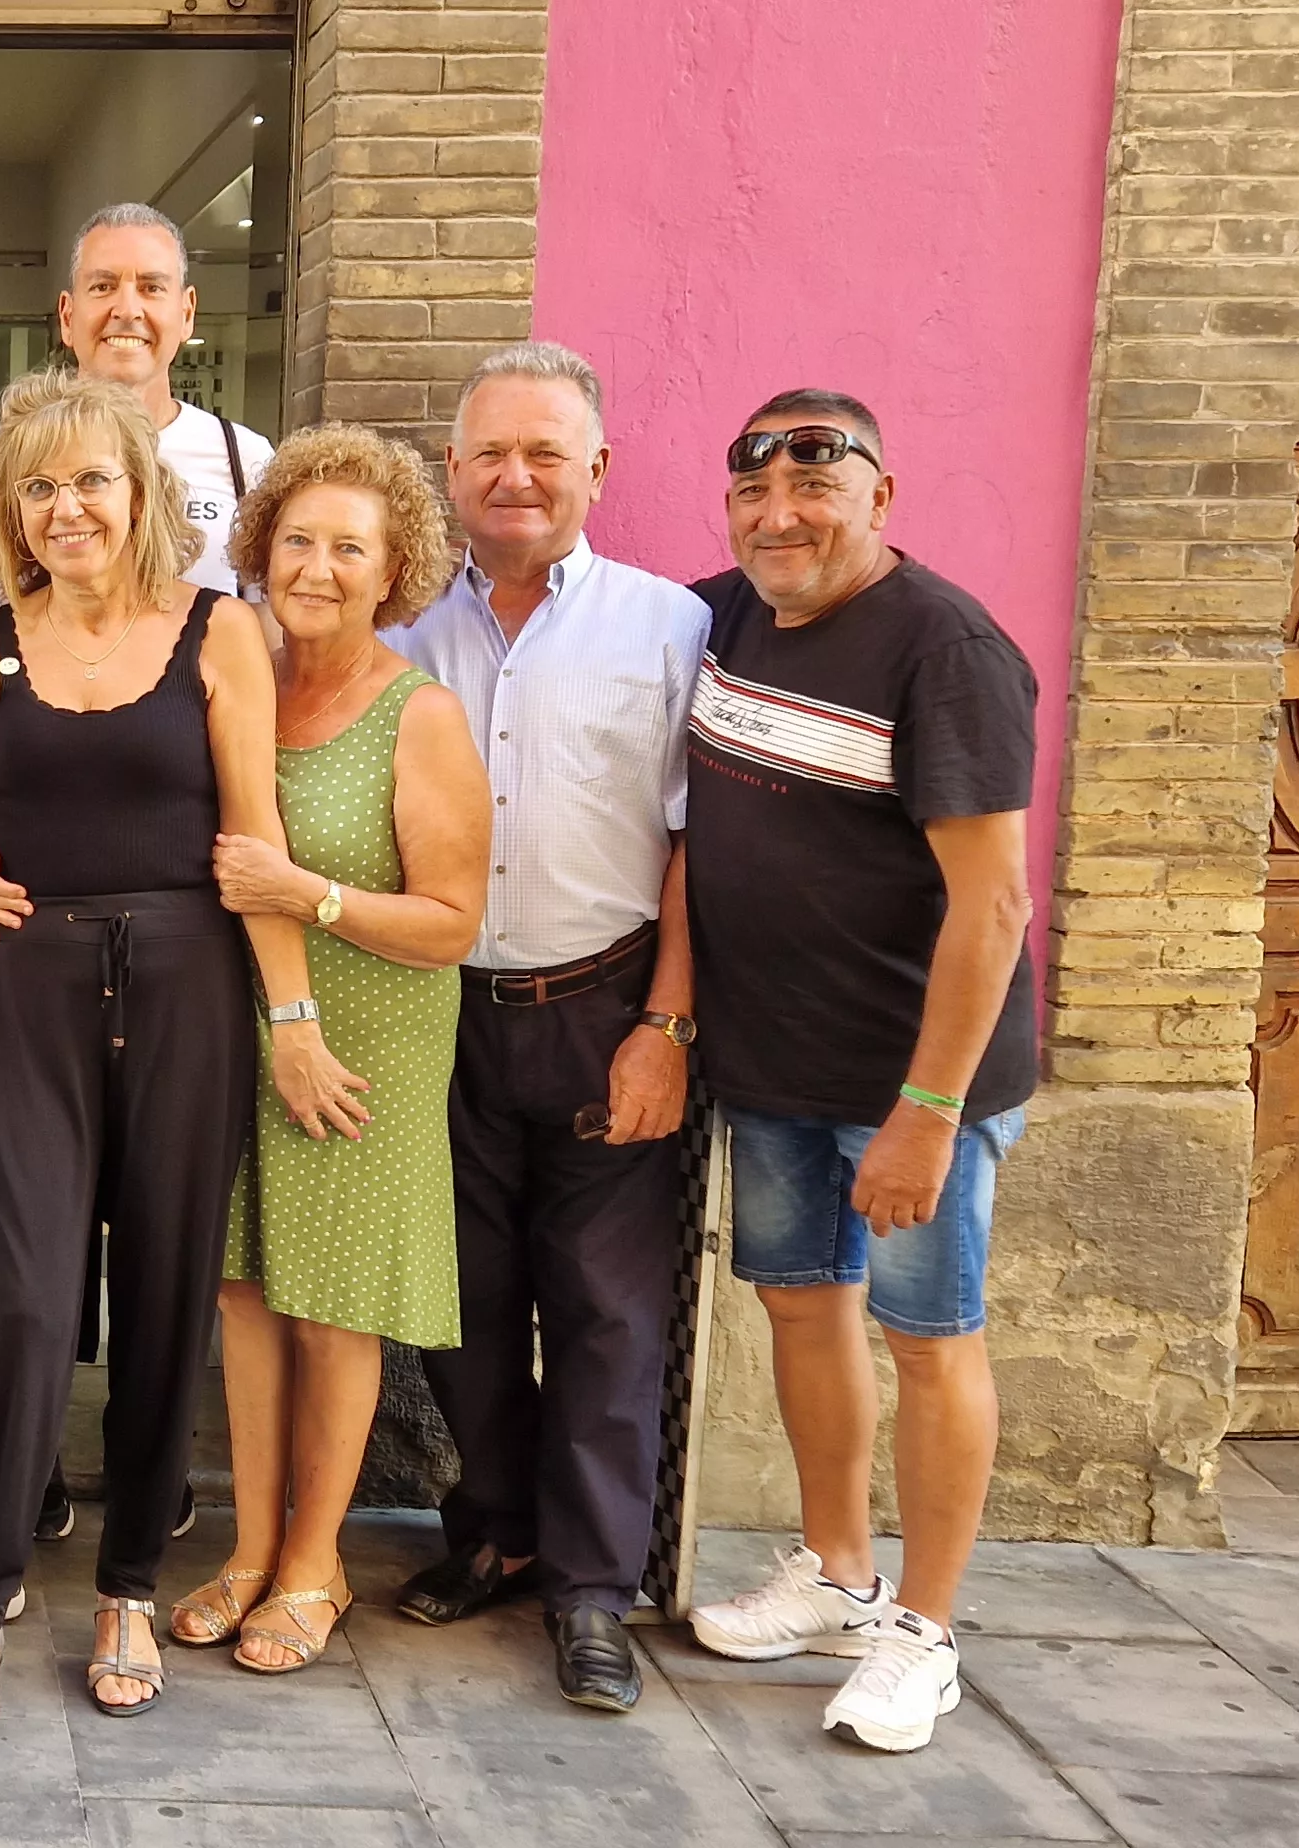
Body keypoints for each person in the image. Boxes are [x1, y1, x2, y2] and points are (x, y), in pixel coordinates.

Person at [0, 371, 329, 1754]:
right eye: (39, 486)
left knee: (168, 1294)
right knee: (20, 1292)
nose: (66, 506)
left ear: (142, 497)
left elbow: (252, 843)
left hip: (191, 981)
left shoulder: (220, 632)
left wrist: (293, 1020)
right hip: (31, 988)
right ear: (14, 511)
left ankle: (130, 1582)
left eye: (90, 481)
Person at [680, 389, 1038, 1755]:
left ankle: (925, 1635)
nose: (782, 518)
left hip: (912, 1087)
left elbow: (992, 906)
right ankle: (837, 1574)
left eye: (817, 490)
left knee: (930, 1342)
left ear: (881, 496)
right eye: (756, 494)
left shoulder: (946, 652)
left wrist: (928, 1114)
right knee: (803, 1310)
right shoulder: (724, 619)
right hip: (775, 1064)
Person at [386, 342, 709, 1714]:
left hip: (604, 1009)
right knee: (454, 1310)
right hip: (437, 1016)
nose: (515, 478)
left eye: (545, 454)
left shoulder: (671, 628)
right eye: (489, 456)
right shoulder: (399, 630)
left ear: (597, 472)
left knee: (607, 1315)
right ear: (450, 475)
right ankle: (497, 1531)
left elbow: (701, 844)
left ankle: (592, 1591)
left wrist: (670, 1024)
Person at [164, 428, 487, 1675]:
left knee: (335, 1308)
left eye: (349, 546)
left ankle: (316, 1563)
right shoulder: (237, 676)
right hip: (231, 1025)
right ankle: (250, 1549)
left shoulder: (420, 714)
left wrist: (310, 896)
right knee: (244, 1293)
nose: (318, 566)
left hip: (365, 1038)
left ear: (394, 565)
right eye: (297, 539)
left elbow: (452, 924)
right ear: (260, 549)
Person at [0, 204, 276, 597]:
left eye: (151, 288)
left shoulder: (245, 458)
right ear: (67, 315)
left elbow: (266, 620)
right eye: (103, 286)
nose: (127, 310)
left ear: (187, 313)